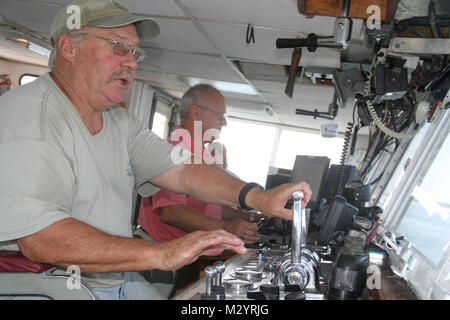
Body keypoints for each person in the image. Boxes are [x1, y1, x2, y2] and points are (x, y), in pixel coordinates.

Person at [0, 0, 311, 300]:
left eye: (135, 52)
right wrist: (162, 253)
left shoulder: (118, 120)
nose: (132, 61)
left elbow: (181, 169)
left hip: (114, 277)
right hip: (52, 285)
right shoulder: (28, 117)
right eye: (118, 46)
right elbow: (43, 239)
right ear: (69, 48)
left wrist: (257, 196)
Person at [138, 85, 261, 245]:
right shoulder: (176, 151)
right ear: (195, 112)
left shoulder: (202, 154)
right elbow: (171, 212)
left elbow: (211, 208)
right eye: (220, 115)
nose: (224, 122)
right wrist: (226, 228)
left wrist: (250, 217)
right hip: (161, 256)